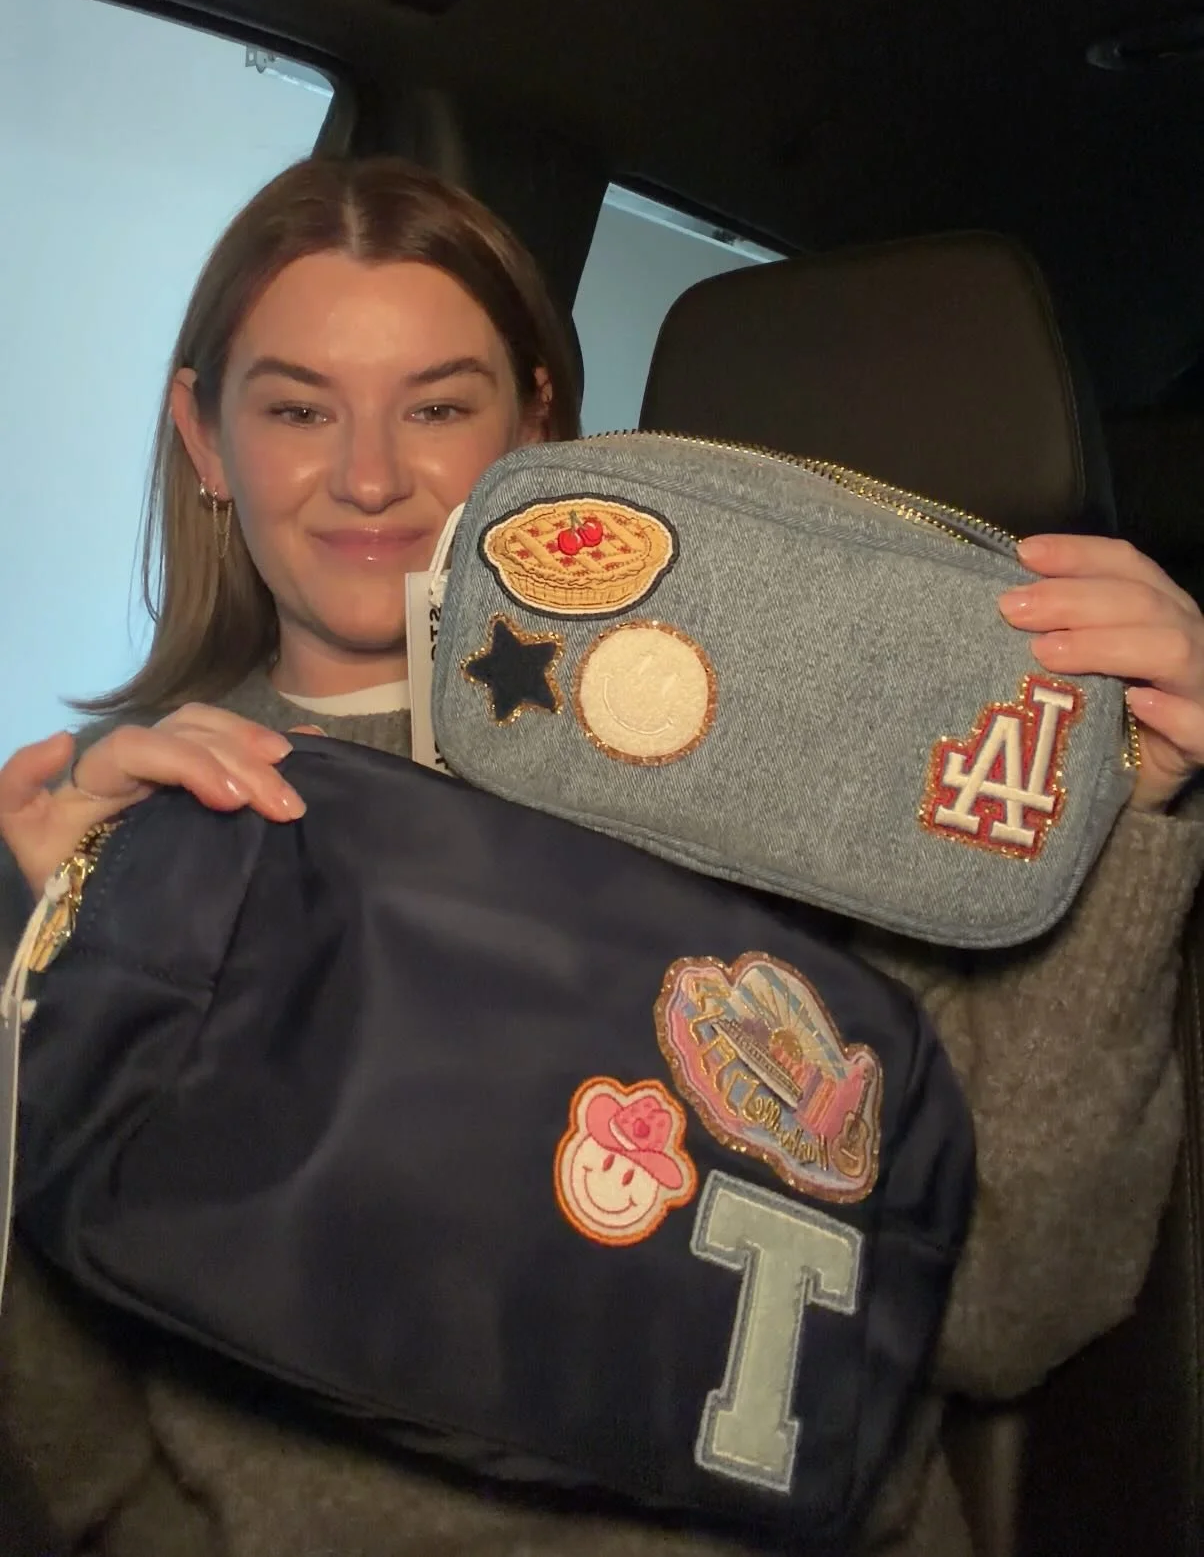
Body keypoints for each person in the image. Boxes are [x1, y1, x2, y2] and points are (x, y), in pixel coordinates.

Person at [0, 154, 1202, 1557]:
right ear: (204, 439)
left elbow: (1012, 1305)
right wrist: (35, 990)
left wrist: (1119, 809)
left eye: (438, 405)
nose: (370, 475)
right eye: (297, 408)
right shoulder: (103, 831)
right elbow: (70, 1468)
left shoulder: (794, 747)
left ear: (536, 427)